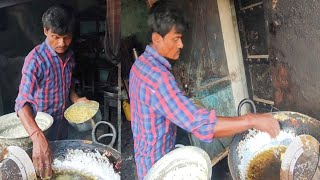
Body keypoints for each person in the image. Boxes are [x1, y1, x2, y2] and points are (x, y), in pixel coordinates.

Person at [129, 1, 280, 179]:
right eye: (175, 39)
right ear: (156, 38)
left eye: (181, 38)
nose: (181, 45)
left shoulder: (140, 65)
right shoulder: (158, 78)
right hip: (158, 169)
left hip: (145, 158)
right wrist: (251, 120)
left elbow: (163, 106)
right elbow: (200, 125)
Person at [15, 5, 87, 179]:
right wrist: (37, 136)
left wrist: (76, 99)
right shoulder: (36, 60)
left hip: (62, 127)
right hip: (40, 131)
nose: (62, 43)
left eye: (66, 37)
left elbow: (67, 82)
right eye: (56, 37)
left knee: (61, 168)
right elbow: (21, 102)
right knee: (41, 171)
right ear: (46, 31)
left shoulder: (69, 56)